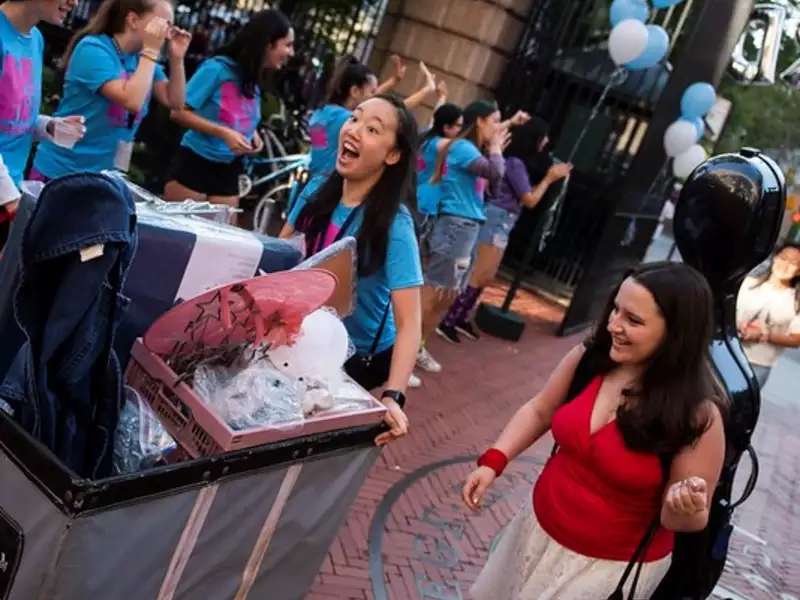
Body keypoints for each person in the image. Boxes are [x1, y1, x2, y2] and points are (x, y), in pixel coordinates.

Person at [463, 262, 727, 599]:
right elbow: (540, 409)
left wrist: (682, 508)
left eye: (633, 320)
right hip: (536, 530)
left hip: (604, 570)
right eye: (615, 309)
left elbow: (687, 520)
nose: (613, 325)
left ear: (676, 333)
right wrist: (494, 460)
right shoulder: (590, 359)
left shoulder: (698, 416)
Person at [279, 94, 421, 447]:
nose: (355, 130)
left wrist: (394, 396)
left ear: (392, 155)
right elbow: (279, 256)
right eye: (355, 119)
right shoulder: (315, 189)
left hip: (358, 357)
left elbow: (410, 323)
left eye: (373, 129)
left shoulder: (395, 225)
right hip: (304, 336)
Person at [438, 118, 572, 342]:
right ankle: (449, 319)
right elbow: (529, 199)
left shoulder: (518, 162)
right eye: (544, 136)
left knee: (487, 275)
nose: (547, 141)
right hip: (496, 219)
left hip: (504, 221)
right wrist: (549, 178)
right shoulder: (515, 163)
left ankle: (461, 316)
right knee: (478, 272)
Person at [31, 0, 190, 182]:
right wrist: (151, 51)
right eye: (161, 24)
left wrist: (177, 59)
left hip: (103, 176)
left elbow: (175, 101)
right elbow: (132, 101)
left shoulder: (142, 60)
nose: (166, 34)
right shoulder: (94, 49)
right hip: (61, 171)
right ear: (133, 20)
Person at [163, 9, 294, 218]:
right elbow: (178, 113)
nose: (291, 53)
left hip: (229, 169)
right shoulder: (216, 69)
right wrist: (223, 133)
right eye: (287, 45)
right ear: (268, 43)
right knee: (180, 240)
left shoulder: (252, 78)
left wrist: (253, 135)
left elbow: (239, 115)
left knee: (221, 242)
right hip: (195, 163)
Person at [415, 100, 509, 376]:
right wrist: (496, 150)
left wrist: (494, 151)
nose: (498, 126)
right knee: (434, 291)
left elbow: (495, 185)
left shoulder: (472, 151)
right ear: (479, 121)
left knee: (448, 295)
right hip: (454, 226)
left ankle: (417, 346)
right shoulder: (464, 148)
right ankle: (400, 350)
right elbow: (496, 172)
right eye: (495, 120)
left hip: (468, 228)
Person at [293, 54, 438, 216]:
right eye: (372, 91)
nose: (375, 98)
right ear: (355, 91)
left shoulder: (322, 113)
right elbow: (390, 114)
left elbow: (372, 105)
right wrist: (426, 91)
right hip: (328, 191)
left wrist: (393, 81)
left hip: (311, 184)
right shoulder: (345, 120)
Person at [0, 0, 84, 245]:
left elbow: (13, 117)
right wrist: (12, 203)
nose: (75, 2)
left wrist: (49, 126)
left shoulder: (35, 39)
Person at [737, 244, 800, 387]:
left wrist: (763, 335)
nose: (785, 265)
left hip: (756, 366)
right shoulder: (746, 284)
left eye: (793, 263)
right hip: (726, 352)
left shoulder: (796, 302)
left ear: (798, 271)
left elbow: (796, 339)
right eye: (783, 258)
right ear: (774, 258)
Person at [416, 102, 463, 223]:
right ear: (446, 127)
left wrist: (441, 98)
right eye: (458, 125)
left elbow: (435, 119)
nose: (461, 130)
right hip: (424, 203)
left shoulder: (426, 137)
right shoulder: (441, 144)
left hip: (416, 197)